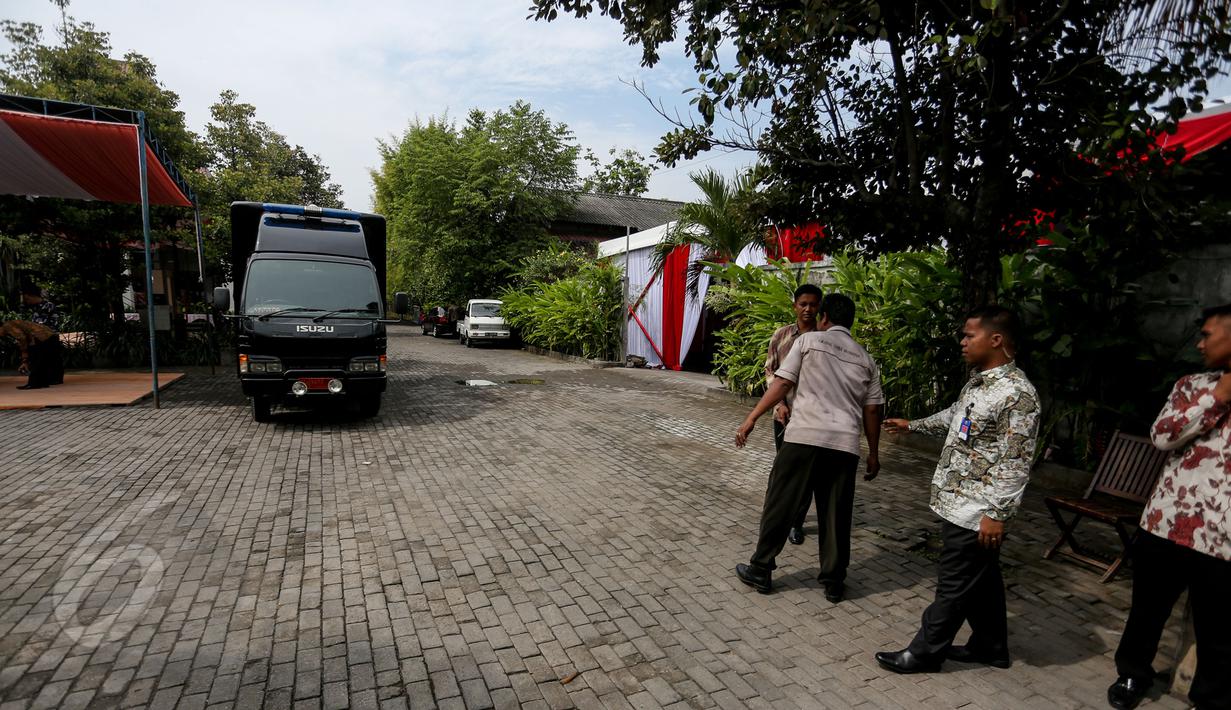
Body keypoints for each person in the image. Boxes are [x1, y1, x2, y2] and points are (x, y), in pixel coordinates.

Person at [876, 305, 1039, 674]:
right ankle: (991, 646)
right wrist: (914, 425)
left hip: (977, 510)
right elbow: (956, 415)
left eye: (969, 335)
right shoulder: (979, 382)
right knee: (983, 580)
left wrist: (996, 515)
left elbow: (1016, 462)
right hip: (958, 500)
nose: (962, 342)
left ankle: (924, 653)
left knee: (954, 584)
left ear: (996, 340)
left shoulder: (1018, 395)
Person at [1105, 304, 1231, 710]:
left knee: (1219, 631)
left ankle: (1208, 699)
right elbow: (1162, 436)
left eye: (1207, 334)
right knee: (1146, 611)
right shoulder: (1192, 386)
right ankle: (1132, 674)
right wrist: (1217, 398)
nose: (1199, 342)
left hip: (1223, 540)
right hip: (1165, 523)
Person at [734, 293, 884, 602]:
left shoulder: (808, 342)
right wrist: (873, 452)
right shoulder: (866, 359)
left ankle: (761, 569)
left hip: (803, 437)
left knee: (780, 502)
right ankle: (833, 581)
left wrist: (752, 417)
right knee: (836, 513)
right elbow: (872, 410)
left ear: (824, 317)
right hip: (844, 445)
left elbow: (782, 383)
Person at [764, 284, 823, 546]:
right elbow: (770, 371)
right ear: (795, 306)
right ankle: (775, 516)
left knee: (807, 474)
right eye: (803, 304)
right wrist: (778, 405)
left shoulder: (825, 339)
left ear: (819, 307)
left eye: (813, 304)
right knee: (783, 469)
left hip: (811, 418)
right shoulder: (781, 336)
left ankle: (796, 522)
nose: (808, 309)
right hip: (783, 416)